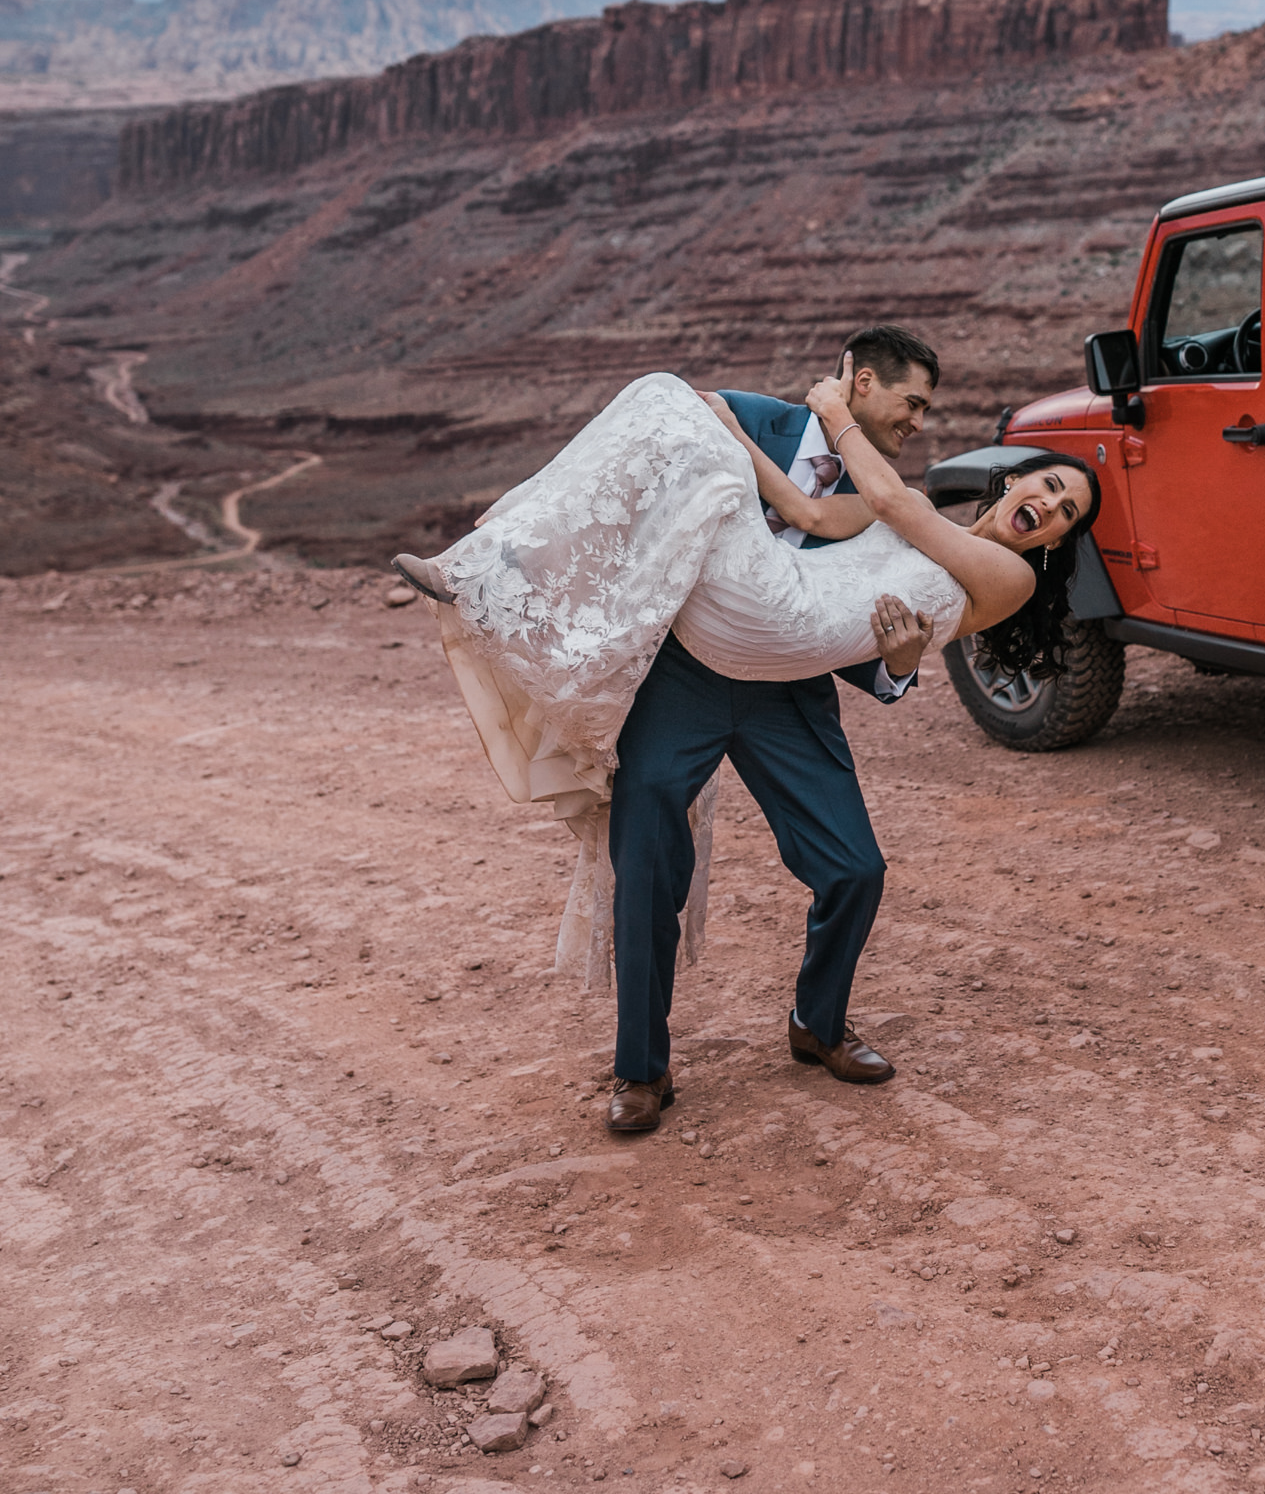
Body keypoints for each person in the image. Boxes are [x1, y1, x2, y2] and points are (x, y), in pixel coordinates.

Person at [394, 336, 1099, 1135]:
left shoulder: (980, 557)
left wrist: (900, 661)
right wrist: (739, 439)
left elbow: (873, 626)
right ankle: (640, 1070)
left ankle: (817, 1023)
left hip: (787, 694)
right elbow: (803, 513)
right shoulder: (785, 433)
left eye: (1065, 510)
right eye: (1047, 482)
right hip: (688, 676)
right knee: (648, 865)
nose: (1049, 503)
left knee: (854, 868)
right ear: (1012, 481)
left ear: (1053, 542)